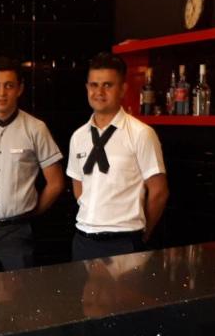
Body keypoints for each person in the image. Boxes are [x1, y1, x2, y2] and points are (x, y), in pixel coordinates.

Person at [0, 56, 65, 271]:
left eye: (9, 86)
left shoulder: (36, 128)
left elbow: (56, 183)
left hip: (19, 231)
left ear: (19, 89)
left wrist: (31, 212)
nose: (2, 93)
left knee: (21, 289)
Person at [66, 52, 169, 262]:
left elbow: (159, 192)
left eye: (108, 85)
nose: (99, 92)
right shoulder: (78, 136)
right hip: (83, 240)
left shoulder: (141, 133)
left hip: (124, 242)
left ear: (123, 89)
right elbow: (78, 186)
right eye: (94, 85)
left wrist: (141, 235)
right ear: (87, 88)